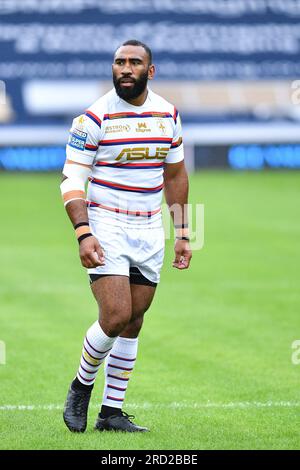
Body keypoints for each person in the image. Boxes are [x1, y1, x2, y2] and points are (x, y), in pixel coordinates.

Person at [61, 39, 192, 433]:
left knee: (134, 319)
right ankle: (81, 386)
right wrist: (84, 233)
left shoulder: (168, 114)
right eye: (119, 62)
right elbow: (71, 179)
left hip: (150, 227)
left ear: (149, 71)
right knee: (115, 315)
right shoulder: (93, 119)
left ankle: (111, 412)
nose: (125, 68)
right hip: (107, 223)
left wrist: (185, 232)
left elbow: (175, 175)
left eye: (134, 62)